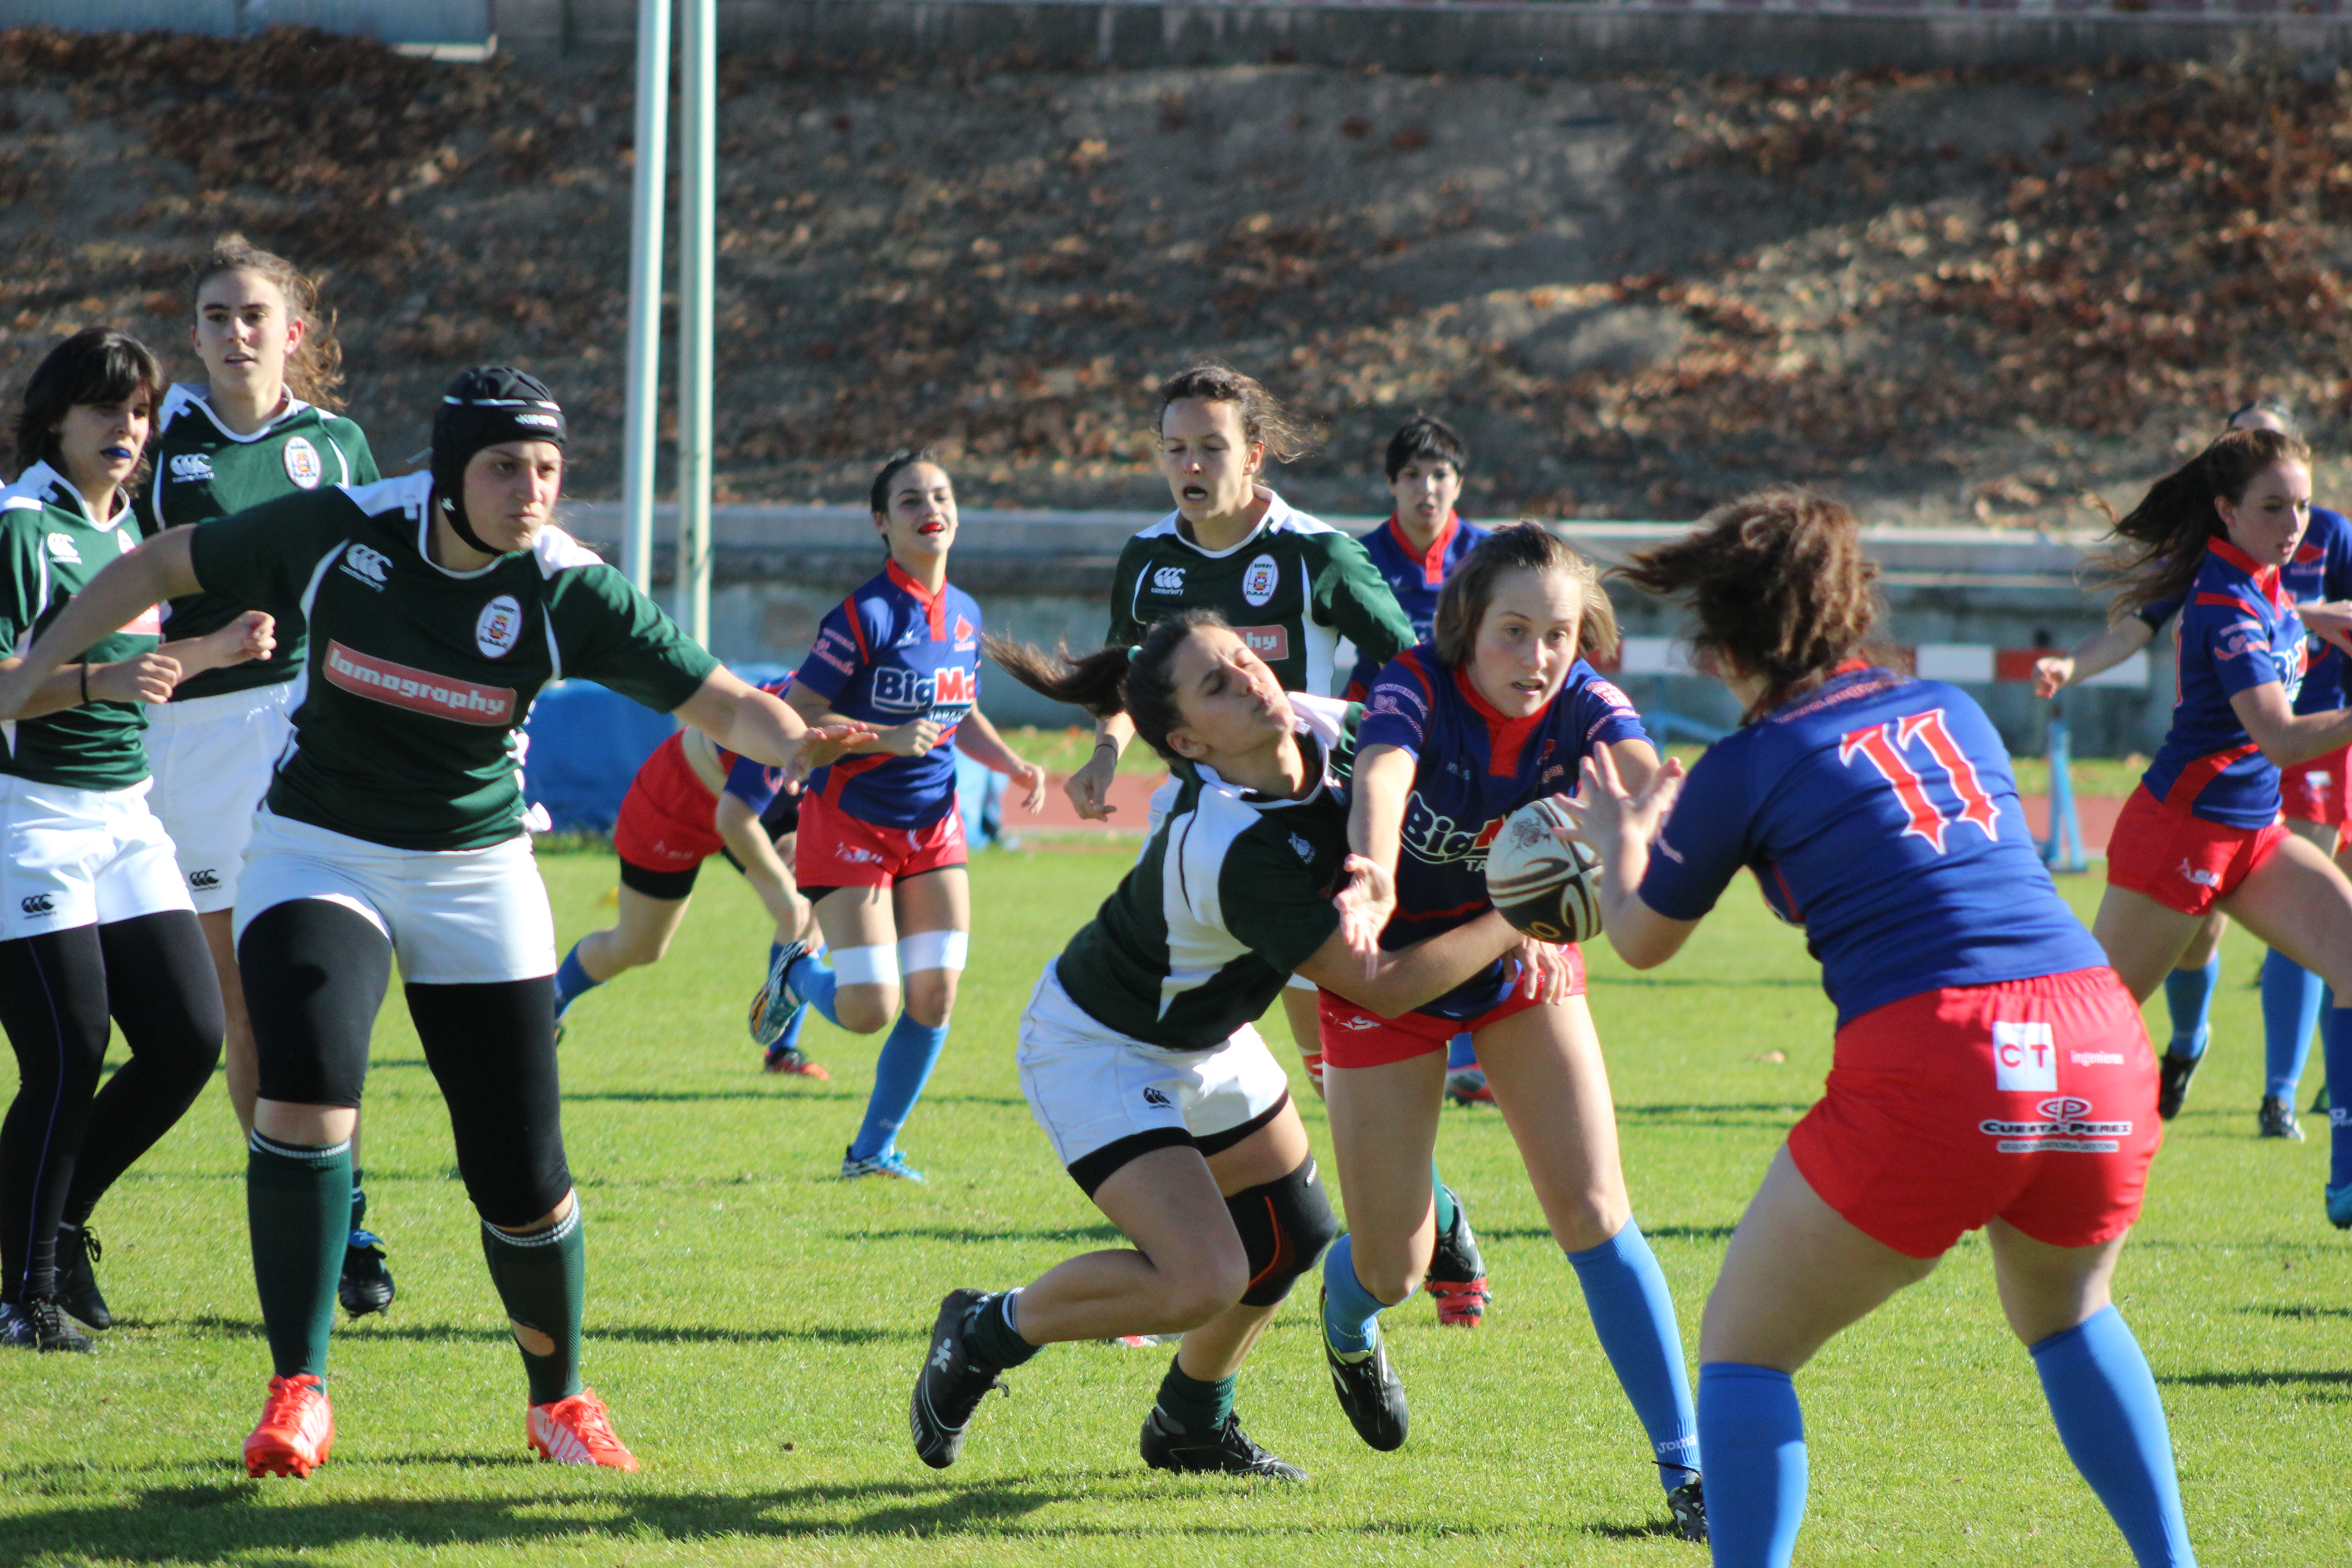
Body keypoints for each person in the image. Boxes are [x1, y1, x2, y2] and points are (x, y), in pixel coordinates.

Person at [0, 365, 865, 1471]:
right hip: (321, 851)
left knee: (520, 1167)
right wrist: (35, 674)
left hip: (475, 866)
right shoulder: (348, 525)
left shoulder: (568, 586)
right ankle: (296, 1390)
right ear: (450, 470)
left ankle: (560, 1399)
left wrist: (798, 740)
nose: (531, 490)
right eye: (505, 466)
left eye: (549, 469)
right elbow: (165, 561)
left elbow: (713, 696)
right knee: (308, 1101)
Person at [1577, 486, 2195, 1568]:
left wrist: (1620, 836)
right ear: (1851, 605)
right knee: (2070, 1317)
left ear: (1721, 649)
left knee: (1743, 1353)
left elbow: (1637, 938)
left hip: (1946, 1056)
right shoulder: (1950, 712)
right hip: (2096, 1035)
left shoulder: (1744, 762)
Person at [907, 611, 1565, 1479]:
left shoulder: (1327, 730)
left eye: (1244, 659)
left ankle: (1189, 1422)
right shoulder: (1230, 841)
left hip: (1207, 1037)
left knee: (1292, 1232)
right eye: (1217, 683)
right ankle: (984, 1329)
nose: (1252, 678)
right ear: (1184, 740)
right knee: (1201, 1278)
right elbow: (1381, 984)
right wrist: (1521, 912)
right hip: (1099, 1045)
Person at [1064, 368, 1492, 1328]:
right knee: (1173, 1040)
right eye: (1174, 447)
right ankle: (1174, 1258)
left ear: (1253, 456)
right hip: (1203, 849)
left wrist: (1398, 782)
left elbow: (1417, 673)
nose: (1189, 465)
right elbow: (1128, 677)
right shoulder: (1146, 559)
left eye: (1210, 447)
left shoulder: (1314, 556)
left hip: (1307, 850)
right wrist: (1103, 750)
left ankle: (1442, 1225)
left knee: (1338, 1081)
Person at [1326, 523, 1705, 1541]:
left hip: (1520, 958)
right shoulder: (1413, 686)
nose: (1538, 658)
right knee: (1393, 1266)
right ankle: (1349, 1320)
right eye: (1514, 631)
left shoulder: (1583, 699)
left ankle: (1689, 1473)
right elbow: (1383, 778)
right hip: (1390, 970)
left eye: (1560, 635)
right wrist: (1375, 870)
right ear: (1466, 626)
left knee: (1593, 1207)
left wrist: (1644, 808)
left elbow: (1631, 762)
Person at [135, 236, 400, 1319]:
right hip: (189, 740)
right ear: (191, 334)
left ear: (297, 332)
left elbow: (386, 582)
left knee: (318, 986)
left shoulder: (337, 444)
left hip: (308, 728)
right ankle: (299, 1205)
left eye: (255, 315)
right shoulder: (158, 436)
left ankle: (350, 1214)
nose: (235, 333)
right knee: (242, 1001)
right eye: (214, 316)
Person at [0, 328, 274, 1350]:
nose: (128, 428)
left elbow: (133, 674)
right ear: (55, 417)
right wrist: (96, 683)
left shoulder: (129, 534)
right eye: (105, 408)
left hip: (125, 816)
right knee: (68, 1053)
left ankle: (57, 1222)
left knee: (184, 1041)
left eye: (143, 411)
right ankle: (20, 1293)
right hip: (27, 820)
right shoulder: (20, 526)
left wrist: (213, 647)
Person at [2066, 426, 2352, 1231]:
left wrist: (2314, 615)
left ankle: (2344, 1177)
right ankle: (1975, 1156)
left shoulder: (2261, 584)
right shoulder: (2226, 600)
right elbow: (2281, 740)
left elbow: (2275, 616)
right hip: (2180, 836)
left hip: (2252, 835)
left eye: (2300, 505)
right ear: (2224, 510)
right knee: (2088, 1035)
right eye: (2272, 508)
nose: (2292, 523)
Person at [750, 452, 1046, 1182]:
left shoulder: (967, 612)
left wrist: (1010, 764)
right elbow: (799, 716)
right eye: (910, 500)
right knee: (868, 1009)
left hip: (935, 821)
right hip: (852, 823)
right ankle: (796, 977)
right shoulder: (863, 615)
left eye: (941, 495)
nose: (929, 509)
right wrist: (882, 739)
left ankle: (871, 1152)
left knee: (936, 994)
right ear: (882, 524)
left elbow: (961, 709)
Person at [551, 671, 827, 1077]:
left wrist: (806, 836)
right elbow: (736, 819)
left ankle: (782, 1053)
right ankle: (546, 1008)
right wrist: (785, 889)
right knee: (640, 946)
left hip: (751, 805)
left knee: (811, 907)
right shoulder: (792, 712)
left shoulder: (879, 713)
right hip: (676, 800)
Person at [1343, 414, 1496, 1111]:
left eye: (1439, 475)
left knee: (1483, 877)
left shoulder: (1490, 557)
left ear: (1458, 483)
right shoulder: (1360, 559)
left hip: (1475, 748)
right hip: (1392, 747)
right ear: (1391, 484)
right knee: (1404, 880)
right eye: (1412, 475)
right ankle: (1405, 1030)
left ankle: (1475, 1046)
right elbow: (1353, 665)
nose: (1426, 489)